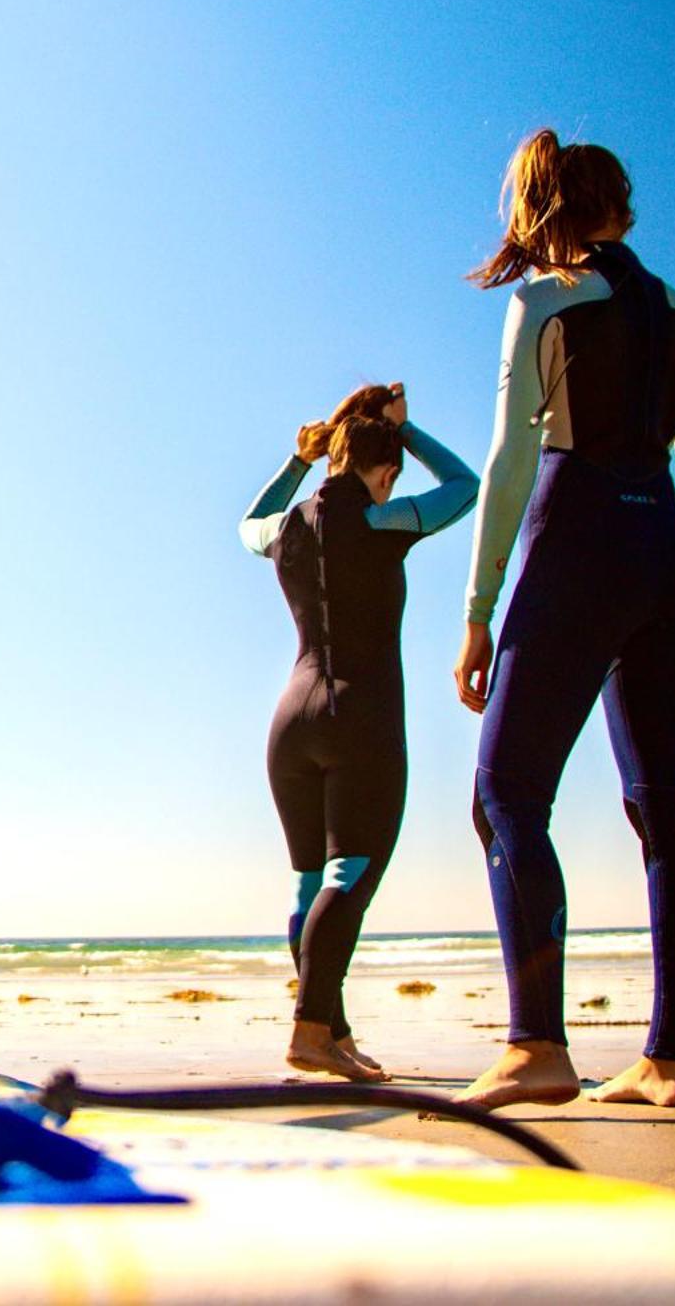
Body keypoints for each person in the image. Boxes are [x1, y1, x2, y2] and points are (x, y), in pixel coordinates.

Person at [451, 130, 675, 1110]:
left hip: (577, 549)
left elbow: (506, 466)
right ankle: (668, 1062)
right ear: (621, 207)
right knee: (666, 809)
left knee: (505, 795)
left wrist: (477, 610)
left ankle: (537, 1047)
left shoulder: (540, 301)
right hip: (670, 566)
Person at [241, 382, 477, 1081]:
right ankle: (312, 1030)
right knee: (350, 876)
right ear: (386, 472)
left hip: (290, 719)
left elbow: (246, 523)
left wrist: (296, 460)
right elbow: (466, 486)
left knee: (309, 885)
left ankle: (333, 1035)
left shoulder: (287, 526)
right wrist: (409, 433)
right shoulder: (387, 519)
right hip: (361, 715)